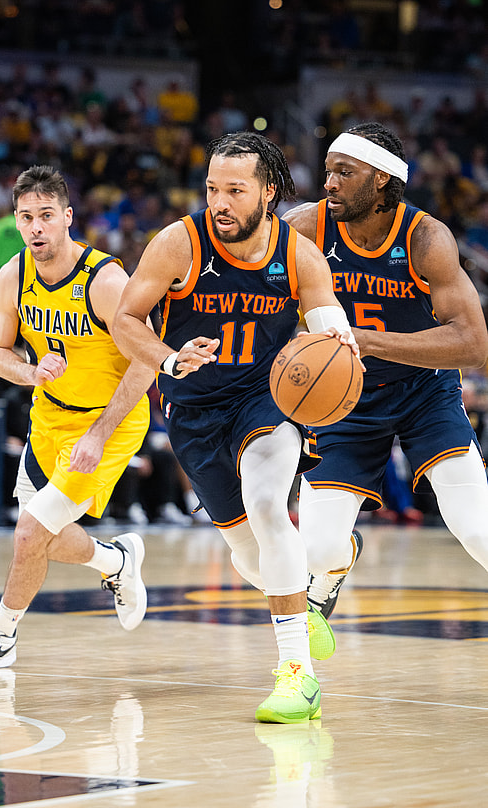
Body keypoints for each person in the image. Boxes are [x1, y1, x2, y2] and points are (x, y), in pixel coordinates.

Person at [112, 131, 360, 724]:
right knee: (250, 560)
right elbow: (125, 319)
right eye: (212, 189)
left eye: (235, 191)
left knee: (269, 507)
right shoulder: (179, 244)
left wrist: (337, 336)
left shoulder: (297, 254)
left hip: (264, 398)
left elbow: (328, 319)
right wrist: (169, 359)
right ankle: (311, 589)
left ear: (268, 192)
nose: (219, 202)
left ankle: (297, 675)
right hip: (193, 411)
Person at [0, 165, 155, 670]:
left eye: (46, 215)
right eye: (26, 217)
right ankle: (116, 560)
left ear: (67, 217)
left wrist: (99, 435)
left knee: (27, 534)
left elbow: (147, 360)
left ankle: (0, 635)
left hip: (110, 420)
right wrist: (30, 372)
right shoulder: (13, 276)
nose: (36, 227)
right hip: (49, 417)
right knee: (41, 536)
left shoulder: (105, 280)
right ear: (15, 221)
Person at [283, 121, 488, 619]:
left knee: (476, 528)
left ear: (380, 179)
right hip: (343, 397)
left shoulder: (425, 237)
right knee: (318, 551)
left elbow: (473, 344)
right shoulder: (303, 228)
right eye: (328, 171)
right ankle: (337, 564)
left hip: (424, 392)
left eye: (344, 172)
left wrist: (368, 340)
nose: (329, 183)